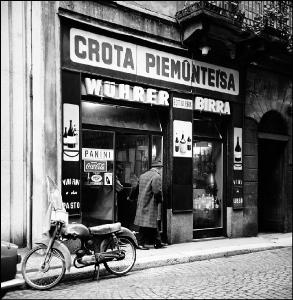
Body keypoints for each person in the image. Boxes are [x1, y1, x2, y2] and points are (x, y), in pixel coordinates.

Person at [134, 161, 167, 250]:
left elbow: (136, 188)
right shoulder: (156, 176)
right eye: (160, 169)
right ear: (158, 168)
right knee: (148, 223)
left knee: (148, 223)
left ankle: (157, 242)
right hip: (150, 203)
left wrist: (131, 197)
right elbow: (156, 191)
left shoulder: (142, 175)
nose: (161, 171)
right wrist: (160, 200)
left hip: (142, 202)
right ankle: (140, 243)